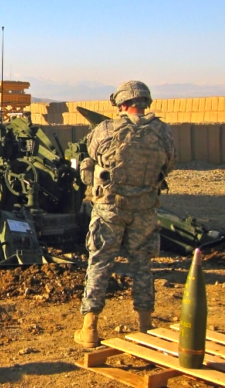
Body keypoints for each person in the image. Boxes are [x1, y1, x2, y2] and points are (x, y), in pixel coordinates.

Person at [74, 80, 176, 348]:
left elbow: (90, 155)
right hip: (145, 209)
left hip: (110, 209)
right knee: (142, 264)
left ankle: (90, 329)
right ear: (146, 102)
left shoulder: (105, 130)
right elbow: (169, 163)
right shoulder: (163, 132)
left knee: (100, 263)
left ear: (121, 104)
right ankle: (145, 325)